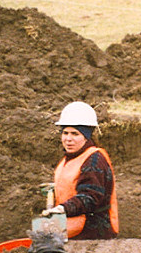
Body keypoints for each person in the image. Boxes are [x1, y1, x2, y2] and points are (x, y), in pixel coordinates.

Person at [40, 101, 119, 241]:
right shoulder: (72, 157)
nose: (68, 139)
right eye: (65, 133)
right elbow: (76, 182)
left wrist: (63, 208)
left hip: (93, 232)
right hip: (74, 224)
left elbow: (91, 197)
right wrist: (57, 188)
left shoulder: (94, 161)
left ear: (86, 136)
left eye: (75, 134)